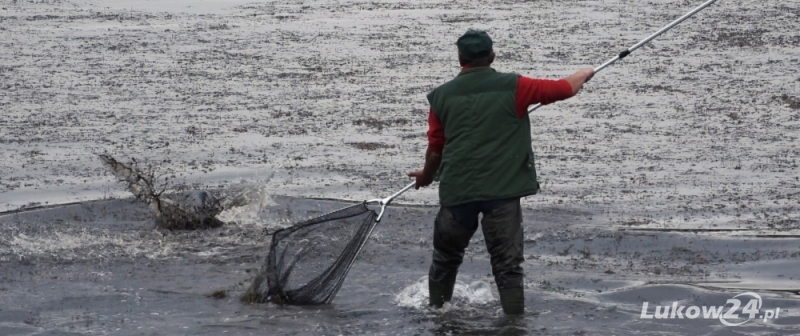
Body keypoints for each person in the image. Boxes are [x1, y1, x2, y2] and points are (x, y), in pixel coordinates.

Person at [407, 29, 594, 315]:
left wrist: (426, 176)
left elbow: (435, 149)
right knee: (507, 266)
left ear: (460, 59)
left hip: (458, 192)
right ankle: (513, 324)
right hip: (502, 193)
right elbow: (564, 89)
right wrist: (585, 72)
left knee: (445, 259)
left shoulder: (441, 97)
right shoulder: (515, 86)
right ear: (492, 56)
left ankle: (437, 315)